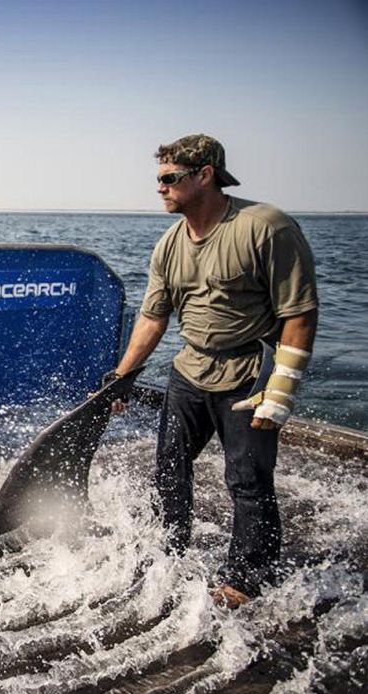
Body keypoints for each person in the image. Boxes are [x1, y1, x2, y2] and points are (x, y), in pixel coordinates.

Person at [111, 134, 318, 609]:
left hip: (249, 374)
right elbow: (153, 317)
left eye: (170, 178)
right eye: (158, 179)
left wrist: (281, 390)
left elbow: (300, 313)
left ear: (205, 175)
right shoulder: (168, 245)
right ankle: (167, 553)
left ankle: (246, 578)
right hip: (189, 371)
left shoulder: (265, 227)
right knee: (168, 470)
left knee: (247, 480)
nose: (160, 188)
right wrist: (121, 375)